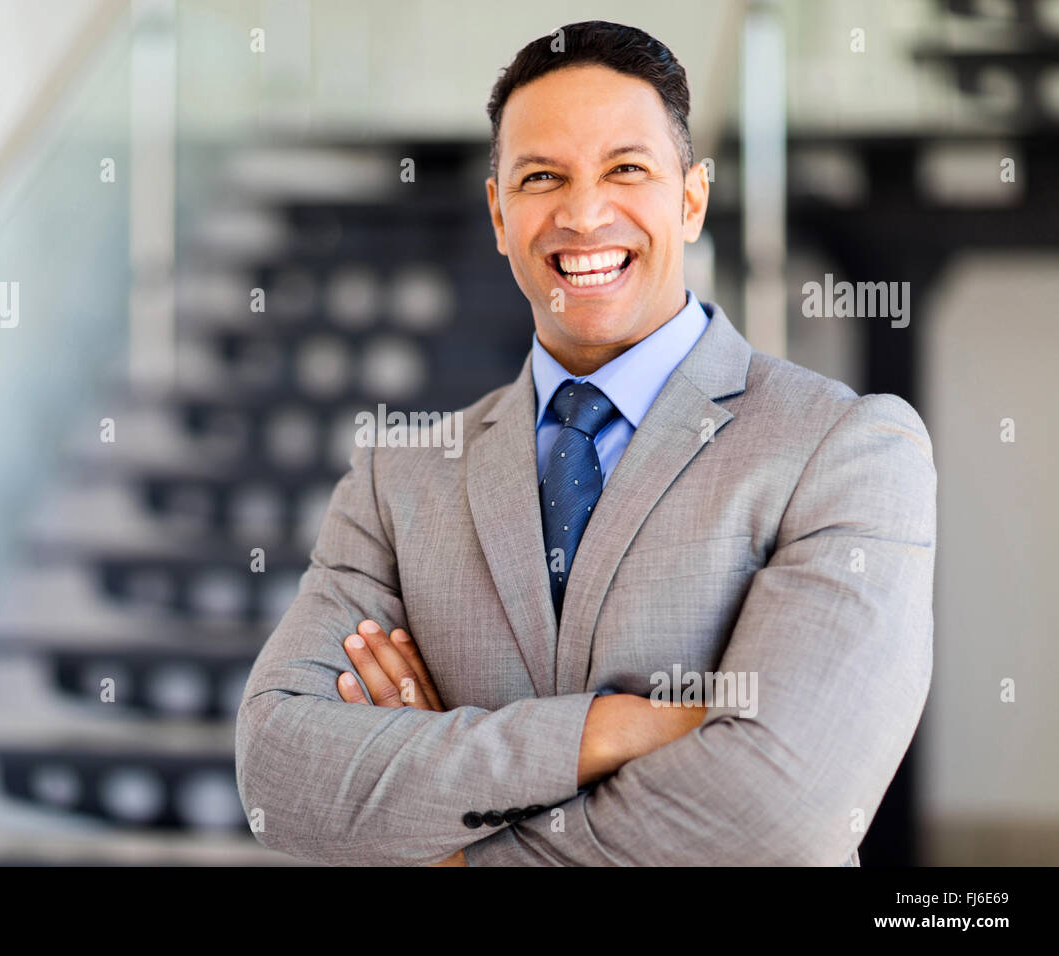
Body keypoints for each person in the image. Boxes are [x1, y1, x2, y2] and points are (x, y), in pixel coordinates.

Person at [234, 20, 936, 866]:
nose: (584, 213)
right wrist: (605, 730)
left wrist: (454, 845)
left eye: (627, 169)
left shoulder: (847, 447)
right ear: (499, 212)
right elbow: (281, 770)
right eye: (541, 177)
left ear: (691, 197)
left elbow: (780, 808)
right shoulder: (400, 475)